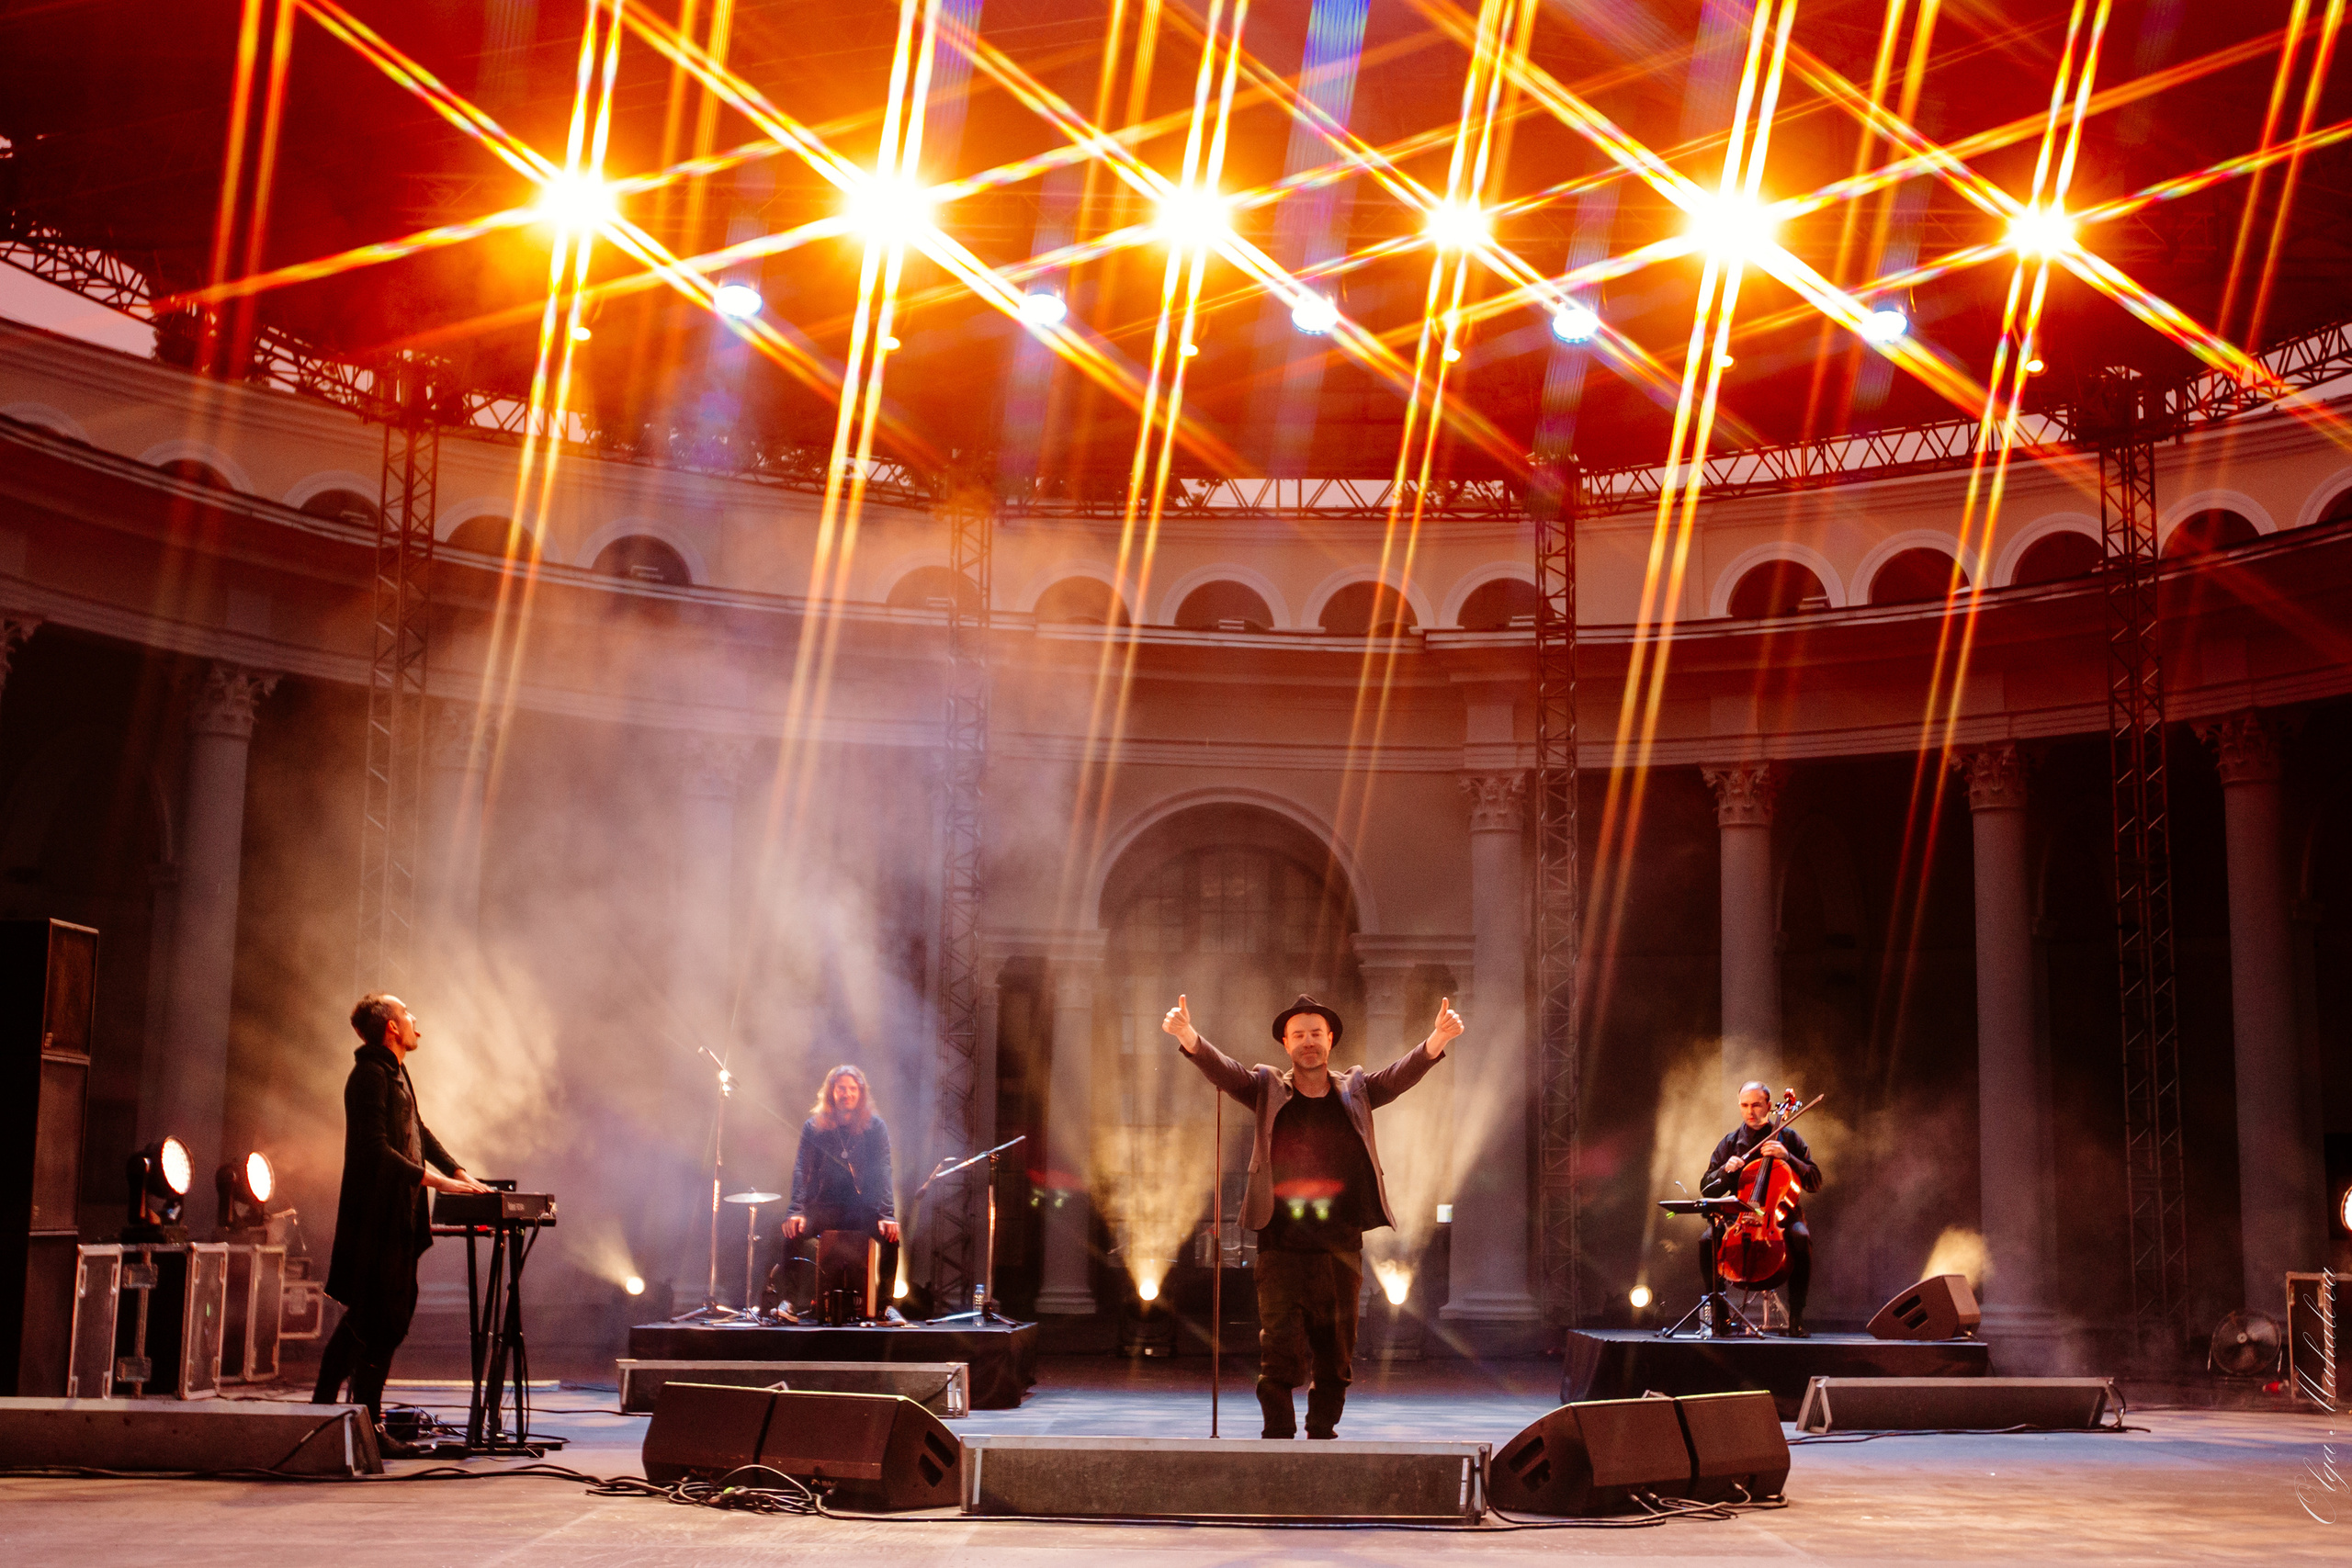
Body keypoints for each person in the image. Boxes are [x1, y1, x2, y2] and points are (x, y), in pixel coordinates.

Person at [1164, 990, 1462, 1440]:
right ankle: (1278, 1437)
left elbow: (1397, 1078)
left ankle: (1322, 1433)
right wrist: (1189, 1036)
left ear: (1330, 1040)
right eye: (1298, 1034)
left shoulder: (1357, 1089)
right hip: (1280, 1246)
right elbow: (1225, 1071)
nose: (1308, 1041)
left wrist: (1436, 1039)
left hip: (1341, 1248)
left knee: (1335, 1356)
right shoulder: (1266, 1087)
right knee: (1278, 1352)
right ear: (1286, 1044)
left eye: (1316, 1034)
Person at [315, 994, 489, 1448]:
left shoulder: (395, 1072)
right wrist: (435, 1182)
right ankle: (324, 1415)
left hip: (400, 1218)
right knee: (371, 1316)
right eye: (408, 1014)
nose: (416, 1021)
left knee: (388, 1318)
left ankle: (350, 1420)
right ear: (391, 1028)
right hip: (376, 1218)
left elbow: (419, 1128)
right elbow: (374, 1148)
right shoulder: (368, 1077)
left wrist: (457, 1170)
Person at [767, 1065, 901, 1318]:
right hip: (825, 1205)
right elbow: (801, 1171)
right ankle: (789, 1303)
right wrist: (796, 1211)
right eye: (842, 1088)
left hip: (863, 1207)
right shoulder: (814, 1127)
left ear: (861, 1094)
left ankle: (886, 1307)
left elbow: (885, 1170)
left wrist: (887, 1215)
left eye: (853, 1089)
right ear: (831, 1092)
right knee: (791, 1232)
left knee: (891, 1236)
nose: (847, 1094)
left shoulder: (875, 1128)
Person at [1700, 1080, 1823, 1337]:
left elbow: (1815, 1180)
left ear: (1769, 1106)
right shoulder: (1731, 1142)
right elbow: (1706, 1188)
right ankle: (1720, 1315)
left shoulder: (1788, 1137)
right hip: (1739, 1216)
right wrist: (1724, 1172)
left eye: (1756, 1105)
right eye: (1744, 1105)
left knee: (1801, 1237)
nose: (1750, 1111)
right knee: (1707, 1240)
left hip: (1781, 1217)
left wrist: (1788, 1157)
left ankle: (1796, 1318)